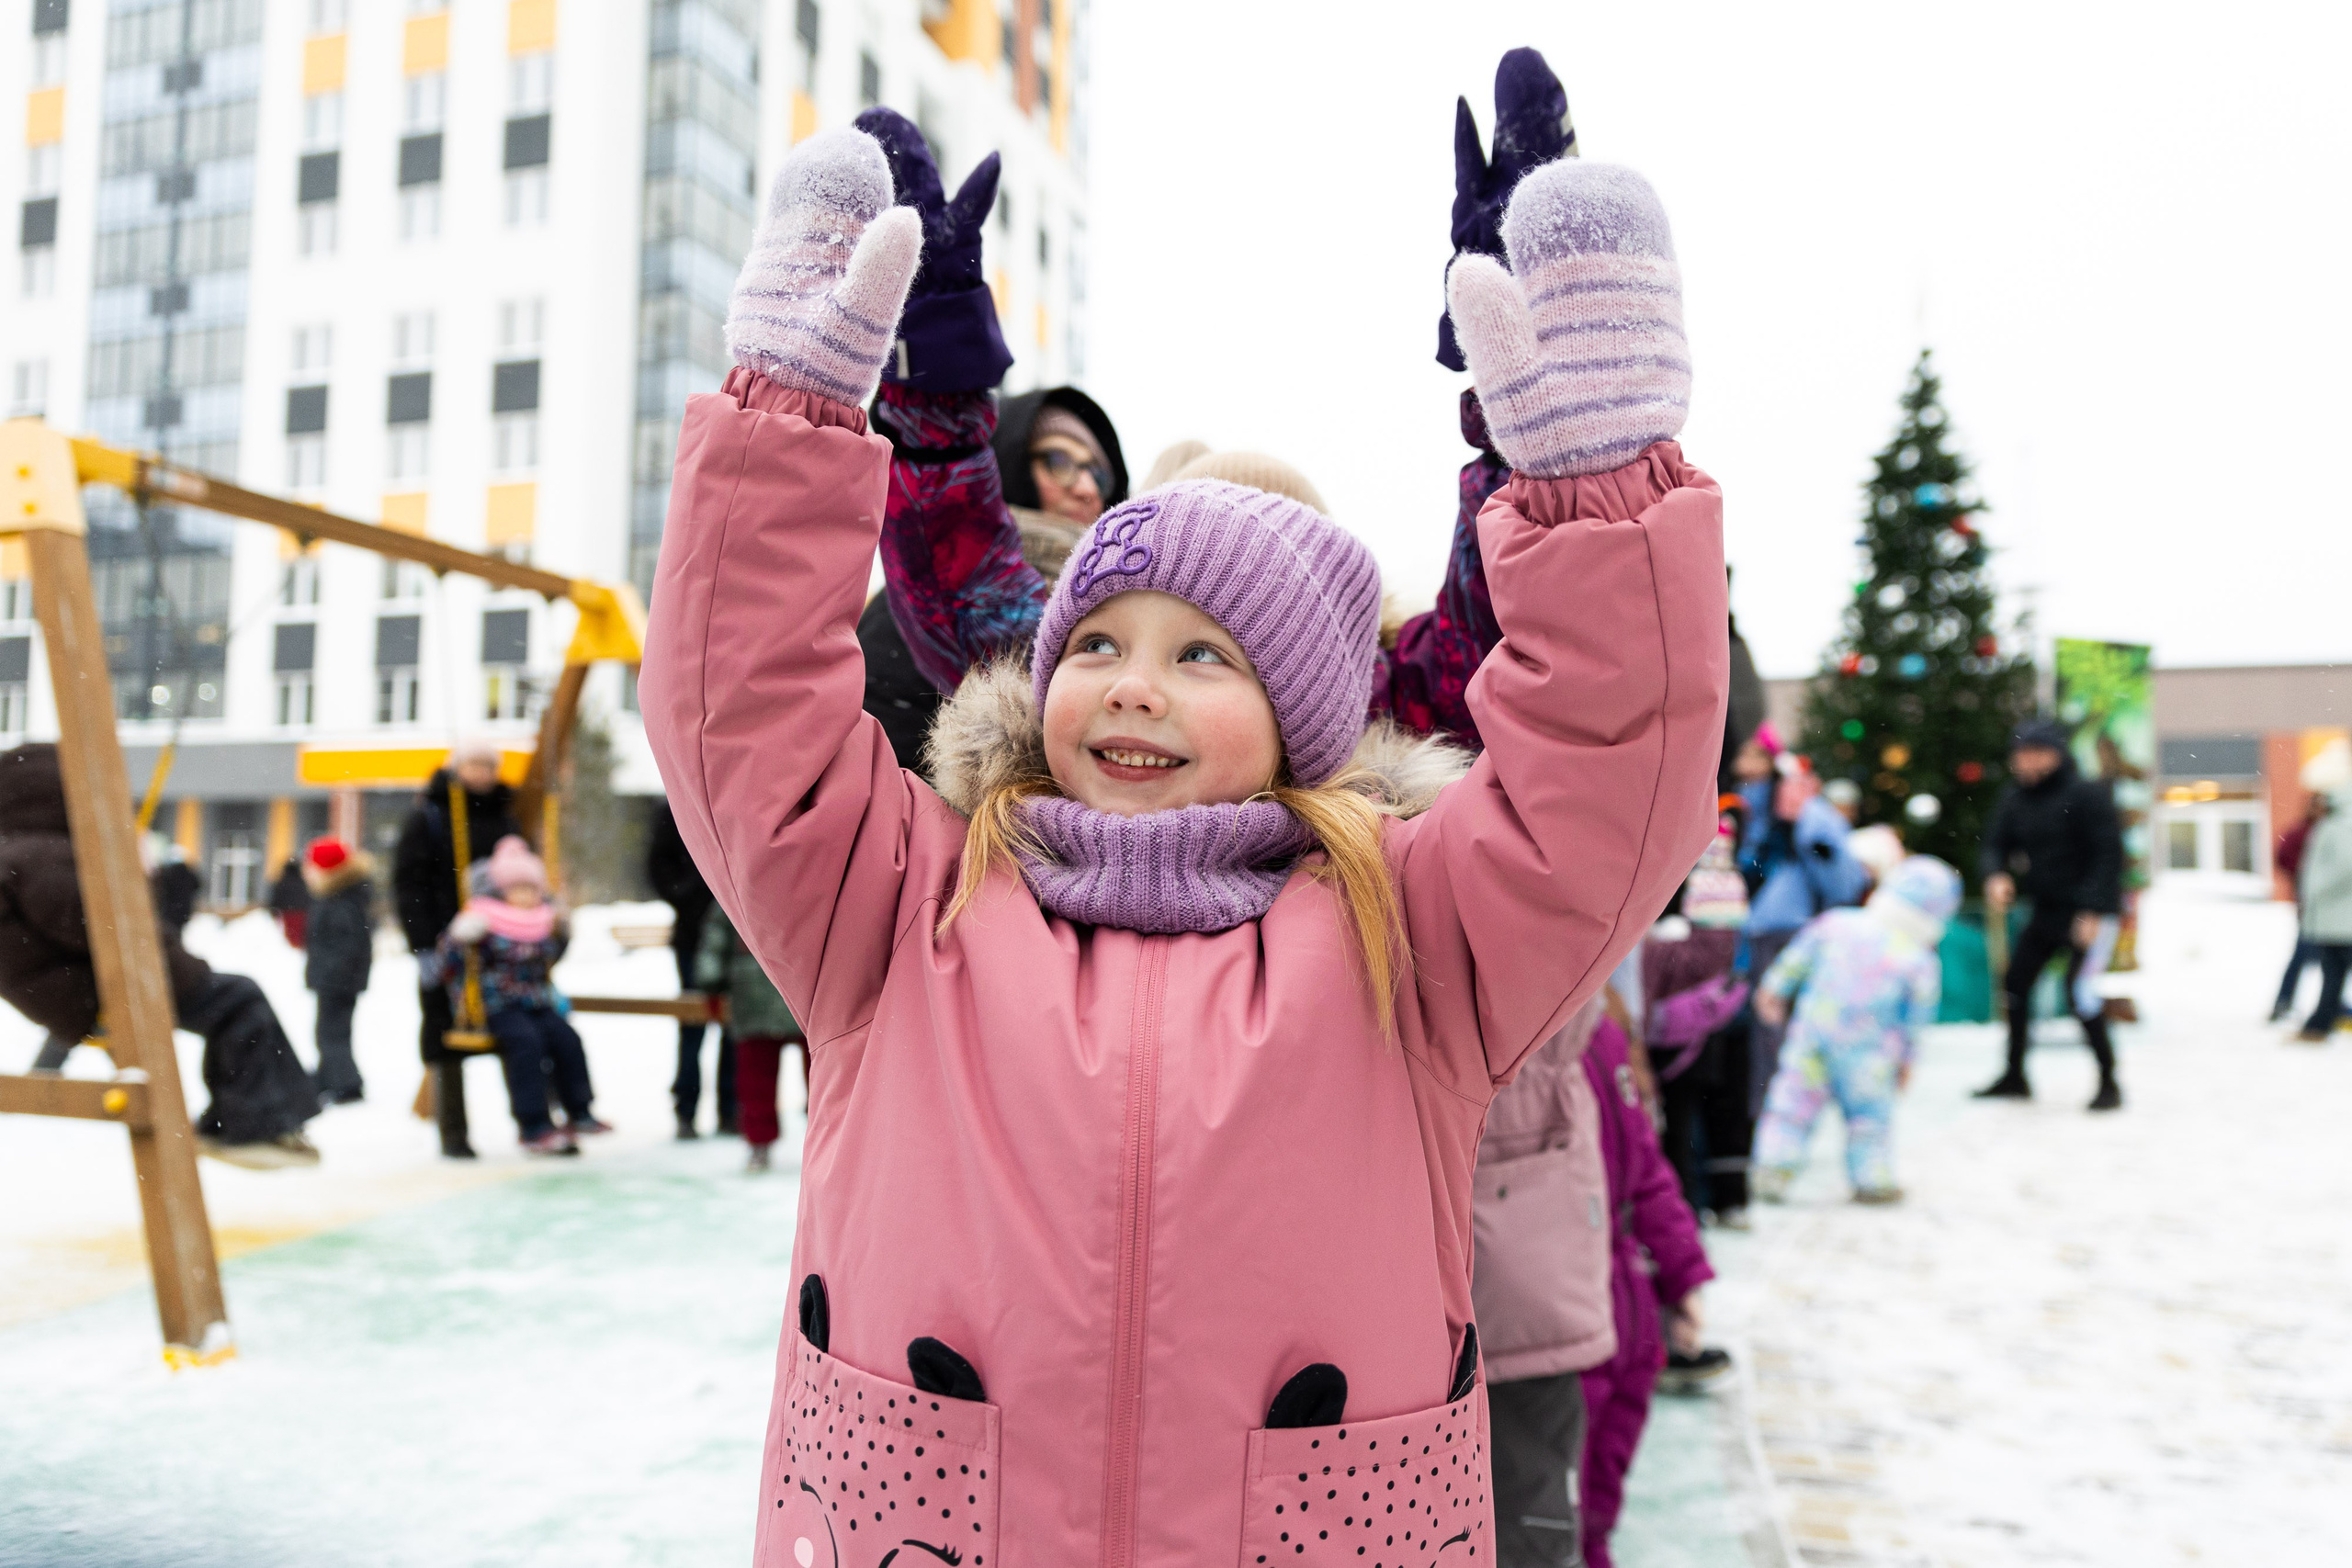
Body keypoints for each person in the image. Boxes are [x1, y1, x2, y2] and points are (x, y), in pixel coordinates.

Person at [640, 129, 1725, 1560]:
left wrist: (1602, 497)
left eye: (1206, 655)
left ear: (1305, 719)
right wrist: (784, 421)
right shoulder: (903, 899)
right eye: (1094, 640)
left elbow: (1609, 781)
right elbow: (739, 714)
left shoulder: (1420, 934)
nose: (1133, 682)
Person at [0, 744, 319, 1166]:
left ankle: (255, 1120)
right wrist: (134, 881)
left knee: (235, 1001)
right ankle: (249, 1126)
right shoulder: (47, 855)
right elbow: (108, 930)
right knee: (240, 1000)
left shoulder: (20, 849)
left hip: (73, 990)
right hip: (105, 989)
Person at [1577, 1010, 1717, 1568]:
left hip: (1629, 1314)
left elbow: (1647, 1168)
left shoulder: (1602, 1029)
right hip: (1556, 1321)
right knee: (1552, 1499)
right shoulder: (1507, 1038)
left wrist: (1683, 1276)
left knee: (1603, 1484)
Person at [1751, 856, 1961, 1203]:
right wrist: (1908, 1060)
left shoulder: (1838, 924)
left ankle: (1772, 1169)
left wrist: (1773, 989)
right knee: (1869, 1120)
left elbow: (1797, 957)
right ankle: (1873, 1180)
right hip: (1871, 1056)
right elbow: (1916, 1019)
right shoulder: (1919, 959)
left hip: (1814, 1037)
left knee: (1792, 1106)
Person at [420, 836, 606, 1156]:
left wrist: (562, 931)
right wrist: (458, 938)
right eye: (517, 890)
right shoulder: (484, 922)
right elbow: (445, 967)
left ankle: (579, 1110)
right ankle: (533, 1124)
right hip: (496, 1006)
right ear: (501, 892)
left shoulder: (541, 923)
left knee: (566, 1038)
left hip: (536, 1001)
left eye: (531, 890)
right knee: (527, 1043)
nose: (525, 897)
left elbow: (552, 956)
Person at [1975, 719, 2126, 1110]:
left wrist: (2094, 910)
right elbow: (1994, 844)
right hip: (2046, 911)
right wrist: (1995, 874)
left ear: (2055, 754)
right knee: (2016, 986)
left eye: (2034, 753)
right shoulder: (2015, 799)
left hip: (2089, 915)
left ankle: (2109, 1082)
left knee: (2080, 993)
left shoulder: (2086, 794)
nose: (2025, 763)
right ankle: (2014, 1075)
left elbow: (2108, 856)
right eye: (2019, 755)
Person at [392, 739, 523, 1158]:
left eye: (489, 765)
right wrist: (424, 942)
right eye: (474, 765)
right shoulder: (430, 815)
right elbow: (408, 884)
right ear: (457, 768)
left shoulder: (505, 816)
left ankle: (530, 1118)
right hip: (444, 937)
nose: (481, 774)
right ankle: (453, 1130)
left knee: (513, 1024)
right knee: (444, 1029)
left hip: (497, 942)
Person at [647, 800, 732, 1139]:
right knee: (693, 1020)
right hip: (693, 934)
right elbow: (659, 865)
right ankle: (686, 1108)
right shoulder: (677, 804)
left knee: (734, 1023)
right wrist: (692, 894)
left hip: (735, 936)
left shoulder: (735, 794)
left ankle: (731, 1108)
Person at [696, 903, 805, 1172]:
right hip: (796, 982)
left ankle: (760, 1142)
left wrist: (711, 978)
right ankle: (832, 1136)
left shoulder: (741, 875)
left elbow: (715, 933)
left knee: (760, 1077)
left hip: (770, 985)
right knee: (824, 1076)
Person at [300, 836, 375, 1105]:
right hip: (336, 979)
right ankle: (329, 1076)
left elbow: (347, 946)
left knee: (331, 1032)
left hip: (338, 981)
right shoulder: (337, 898)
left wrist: (331, 975)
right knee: (329, 1031)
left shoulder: (341, 903)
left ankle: (346, 1083)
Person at [2291, 761, 2352, 1041]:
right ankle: (2320, 1023)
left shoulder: (2339, 825)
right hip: (2338, 917)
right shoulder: (2336, 823)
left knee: (2333, 972)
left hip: (2339, 917)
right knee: (2332, 973)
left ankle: (2319, 1024)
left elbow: (2344, 864)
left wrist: (2314, 889)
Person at [2271, 792, 2324, 1021]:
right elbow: (2282, 857)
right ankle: (2283, 1002)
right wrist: (2303, 873)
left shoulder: (2330, 831)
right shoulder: (2302, 833)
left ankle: (2331, 1002)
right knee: (2304, 954)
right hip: (2310, 904)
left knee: (2332, 959)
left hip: (2330, 906)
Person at [267, 853, 311, 948]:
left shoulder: (282, 882)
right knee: (301, 934)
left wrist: (273, 910)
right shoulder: (304, 882)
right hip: (302, 911)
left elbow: (276, 898)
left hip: (288, 912)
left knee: (292, 935)